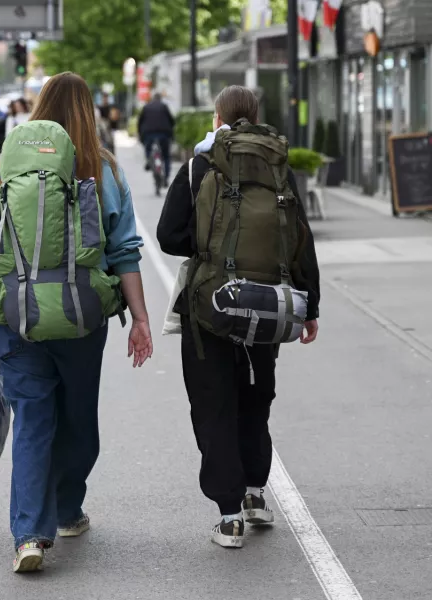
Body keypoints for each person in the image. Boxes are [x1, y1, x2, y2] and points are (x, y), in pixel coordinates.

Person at [0, 72, 153, 573]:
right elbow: (125, 252)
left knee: (32, 419)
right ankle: (68, 511)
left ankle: (29, 535)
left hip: (14, 318)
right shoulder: (103, 170)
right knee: (77, 419)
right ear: (88, 112)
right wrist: (139, 319)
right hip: (80, 316)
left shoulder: (1, 169)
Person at [156, 85, 320, 550]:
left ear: (217, 118)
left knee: (214, 407)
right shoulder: (277, 167)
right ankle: (255, 495)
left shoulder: (199, 166)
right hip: (269, 303)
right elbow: (300, 241)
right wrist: (311, 306)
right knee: (255, 398)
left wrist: (209, 250)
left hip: (210, 305)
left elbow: (168, 235)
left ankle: (229, 517)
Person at [138, 92, 175, 185]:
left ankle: (149, 161)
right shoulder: (164, 106)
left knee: (147, 149)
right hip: (164, 134)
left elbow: (140, 122)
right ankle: (166, 178)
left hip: (148, 134)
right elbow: (171, 120)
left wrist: (140, 134)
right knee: (166, 156)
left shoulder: (146, 107)